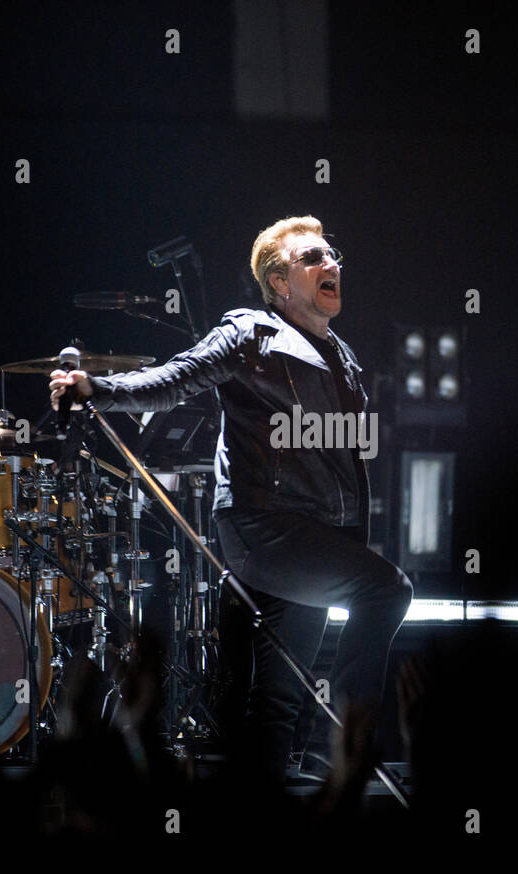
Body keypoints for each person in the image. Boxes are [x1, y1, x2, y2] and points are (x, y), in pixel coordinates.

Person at [51, 215, 412, 781]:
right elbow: (177, 378)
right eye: (313, 257)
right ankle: (341, 741)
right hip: (264, 527)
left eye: (333, 255)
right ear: (278, 282)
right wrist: (99, 388)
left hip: (315, 534)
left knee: (277, 698)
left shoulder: (341, 356)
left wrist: (348, 537)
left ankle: (260, 807)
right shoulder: (249, 333)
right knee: (388, 589)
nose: (331, 265)